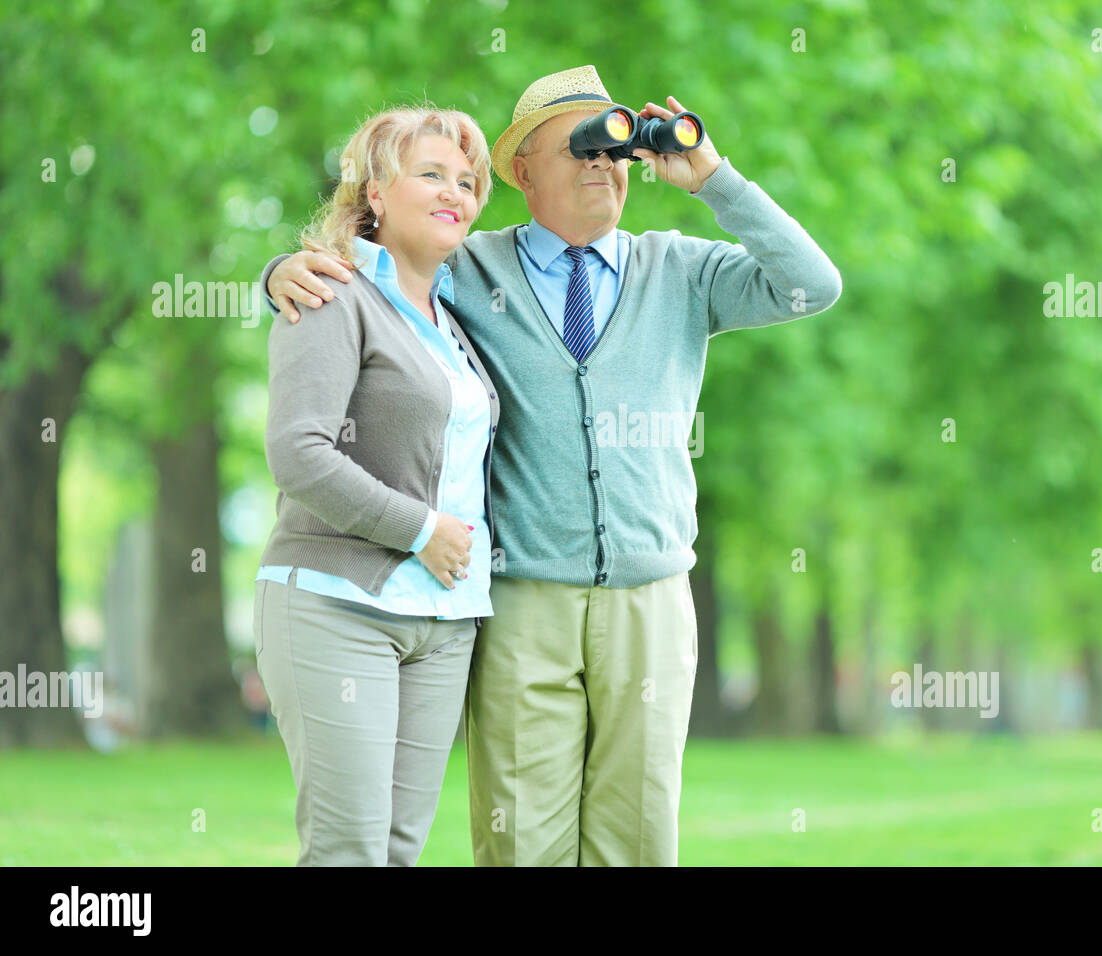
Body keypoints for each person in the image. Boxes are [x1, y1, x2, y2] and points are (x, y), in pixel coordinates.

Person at [263, 65, 841, 866]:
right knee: (519, 841)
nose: (605, 161)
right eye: (581, 145)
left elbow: (813, 285)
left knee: (637, 842)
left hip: (652, 600)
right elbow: (365, 279)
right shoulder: (467, 264)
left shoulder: (679, 270)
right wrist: (277, 275)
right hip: (520, 598)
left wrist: (715, 179)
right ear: (525, 173)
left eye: (616, 147)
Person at [253, 104, 499, 865]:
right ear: (375, 194)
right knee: (347, 850)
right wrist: (422, 530)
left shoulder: (458, 319)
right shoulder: (332, 292)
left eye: (466, 180)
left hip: (445, 622)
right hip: (336, 604)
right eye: (429, 174)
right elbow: (298, 452)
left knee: (396, 851)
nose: (453, 190)